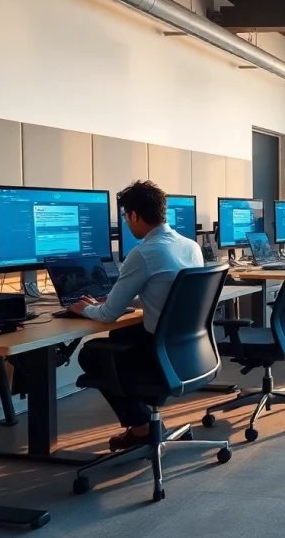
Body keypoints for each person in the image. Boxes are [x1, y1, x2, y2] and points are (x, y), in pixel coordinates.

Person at [70, 181, 204, 451]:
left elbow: (107, 315)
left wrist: (82, 308)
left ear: (133, 215)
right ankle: (142, 425)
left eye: (125, 216)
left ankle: (142, 426)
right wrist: (122, 298)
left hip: (159, 354)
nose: (126, 222)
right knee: (122, 333)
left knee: (91, 353)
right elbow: (167, 294)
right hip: (188, 350)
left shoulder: (143, 253)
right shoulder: (191, 246)